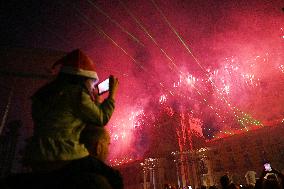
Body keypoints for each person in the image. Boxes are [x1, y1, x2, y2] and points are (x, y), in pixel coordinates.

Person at [23, 49, 119, 172]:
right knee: (111, 176)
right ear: (83, 78)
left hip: (37, 153)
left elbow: (65, 114)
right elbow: (101, 118)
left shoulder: (45, 93)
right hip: (62, 153)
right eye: (91, 81)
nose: (91, 86)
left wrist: (95, 102)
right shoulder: (76, 93)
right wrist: (112, 95)